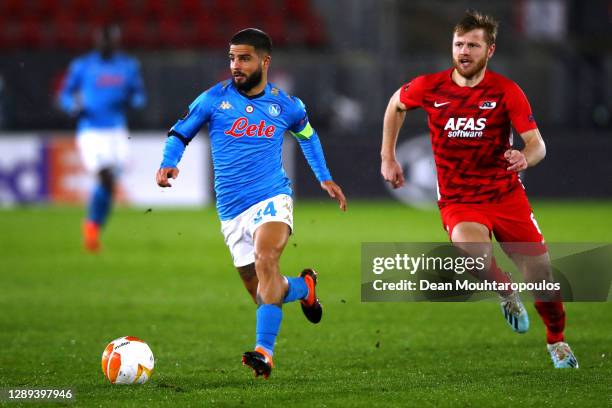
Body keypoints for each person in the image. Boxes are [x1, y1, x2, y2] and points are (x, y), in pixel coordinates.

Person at [380, 11, 577, 368]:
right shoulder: (430, 86)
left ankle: (557, 340)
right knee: (471, 250)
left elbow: (537, 144)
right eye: (459, 44)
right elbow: (396, 104)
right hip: (460, 200)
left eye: (473, 45)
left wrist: (524, 157)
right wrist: (388, 156)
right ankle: (506, 291)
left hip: (505, 198)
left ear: (490, 51)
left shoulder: (506, 91)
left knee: (543, 280)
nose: (464, 51)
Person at [156, 28, 346, 378]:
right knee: (262, 291)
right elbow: (180, 131)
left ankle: (264, 351)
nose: (236, 65)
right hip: (230, 211)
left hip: (272, 197)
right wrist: (170, 161)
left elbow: (308, 136)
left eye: (243, 58)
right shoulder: (214, 99)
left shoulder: (286, 104)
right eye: (231, 58)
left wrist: (324, 176)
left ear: (264, 61)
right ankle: (304, 287)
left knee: (267, 258)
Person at [58, 24, 146, 252]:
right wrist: (72, 106)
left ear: (116, 42)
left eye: (110, 40)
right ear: (97, 41)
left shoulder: (128, 66)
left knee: (109, 185)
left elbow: (138, 94)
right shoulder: (83, 66)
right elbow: (64, 94)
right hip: (91, 131)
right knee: (105, 177)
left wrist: (134, 101)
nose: (106, 44)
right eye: (103, 40)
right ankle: (91, 228)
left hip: (117, 131)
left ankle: (93, 229)